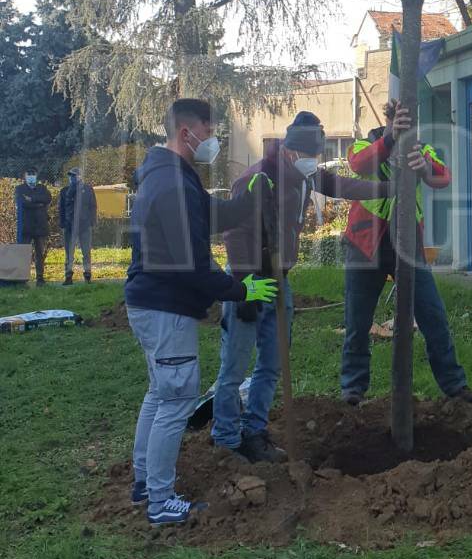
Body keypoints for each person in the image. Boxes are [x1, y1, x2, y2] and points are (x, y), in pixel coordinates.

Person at [125, 98, 277, 526]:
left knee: (160, 394)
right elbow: (190, 263)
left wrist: (244, 205)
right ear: (187, 132)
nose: (213, 140)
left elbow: (203, 216)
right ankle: (159, 500)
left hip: (151, 302)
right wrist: (236, 288)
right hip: (165, 306)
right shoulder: (171, 183)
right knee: (176, 400)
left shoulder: (169, 176)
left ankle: (143, 484)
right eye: (209, 132)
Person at [214, 111, 389, 460]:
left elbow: (342, 186)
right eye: (310, 156)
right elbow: (234, 231)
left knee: (272, 360)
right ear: (291, 151)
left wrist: (387, 189)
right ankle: (226, 440)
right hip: (250, 277)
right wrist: (244, 286)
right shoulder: (258, 178)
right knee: (236, 363)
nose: (315, 162)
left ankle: (255, 432)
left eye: (317, 156)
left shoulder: (304, 176)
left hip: (281, 279)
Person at [340, 99, 472, 406]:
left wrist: (425, 166)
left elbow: (442, 177)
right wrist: (389, 141)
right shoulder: (366, 143)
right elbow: (360, 164)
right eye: (400, 122)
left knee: (433, 317)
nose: (407, 128)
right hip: (365, 246)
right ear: (388, 120)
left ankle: (454, 385)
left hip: (408, 245)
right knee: (357, 322)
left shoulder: (420, 147)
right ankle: (353, 389)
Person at [58, 168, 98, 284]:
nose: (72, 178)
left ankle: (87, 275)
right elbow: (61, 208)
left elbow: (93, 206)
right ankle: (68, 276)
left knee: (86, 251)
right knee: (69, 252)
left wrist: (92, 222)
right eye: (70, 176)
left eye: (74, 175)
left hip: (84, 225)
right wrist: (62, 223)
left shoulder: (88, 189)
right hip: (69, 225)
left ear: (80, 176)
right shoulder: (64, 190)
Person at [14, 170, 52, 285]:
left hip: (40, 227)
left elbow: (47, 199)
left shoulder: (42, 188)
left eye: (33, 175)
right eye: (28, 175)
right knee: (23, 253)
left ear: (36, 176)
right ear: (24, 177)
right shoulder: (20, 189)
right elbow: (22, 202)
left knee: (40, 254)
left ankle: (40, 278)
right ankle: (22, 279)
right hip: (26, 228)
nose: (31, 177)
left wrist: (32, 199)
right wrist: (39, 204)